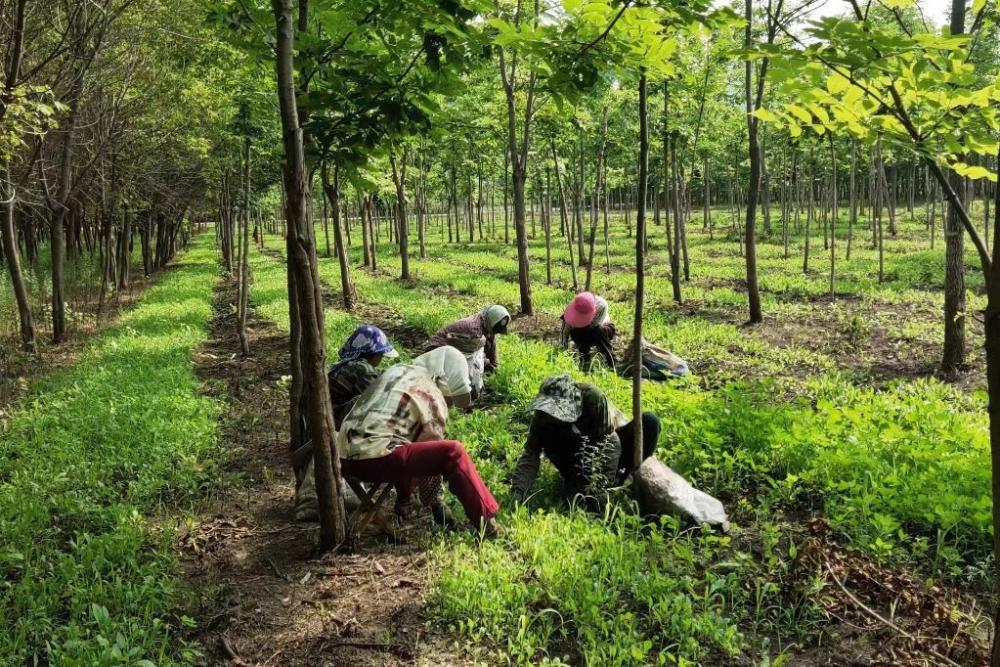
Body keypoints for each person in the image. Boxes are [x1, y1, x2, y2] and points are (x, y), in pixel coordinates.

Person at [337, 346, 500, 534]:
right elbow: (430, 459)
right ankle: (487, 521)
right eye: (449, 399)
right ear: (441, 379)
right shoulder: (430, 392)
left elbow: (410, 450)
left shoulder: (395, 372)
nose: (448, 404)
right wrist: (436, 503)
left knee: (402, 446)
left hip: (343, 458)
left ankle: (402, 506)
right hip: (374, 460)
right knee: (453, 452)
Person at [510, 373, 661, 508]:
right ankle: (578, 483)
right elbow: (531, 454)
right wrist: (518, 490)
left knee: (649, 422)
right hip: (575, 454)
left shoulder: (593, 399)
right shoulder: (543, 416)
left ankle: (628, 478)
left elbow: (609, 444)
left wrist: (598, 488)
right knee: (578, 499)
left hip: (604, 447)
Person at [427, 305, 511, 395]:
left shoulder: (485, 324)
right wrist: (488, 364)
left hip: (453, 348)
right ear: (491, 321)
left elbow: (491, 345)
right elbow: (474, 358)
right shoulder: (474, 330)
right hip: (437, 350)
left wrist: (495, 366)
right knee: (472, 370)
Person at [328, 324, 399, 428]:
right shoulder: (362, 369)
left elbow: (379, 374)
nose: (381, 359)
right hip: (334, 419)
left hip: (328, 414)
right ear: (374, 354)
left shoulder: (349, 364)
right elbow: (379, 397)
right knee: (371, 400)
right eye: (381, 355)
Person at [560, 292, 616, 372]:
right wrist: (563, 352)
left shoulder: (601, 305)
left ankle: (612, 363)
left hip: (601, 329)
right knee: (579, 332)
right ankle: (585, 363)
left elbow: (595, 326)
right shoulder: (572, 311)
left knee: (598, 330)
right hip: (582, 331)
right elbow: (564, 333)